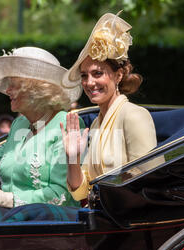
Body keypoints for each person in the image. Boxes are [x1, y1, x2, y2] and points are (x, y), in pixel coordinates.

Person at [0, 46, 84, 222]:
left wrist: (7, 199)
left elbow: (62, 194)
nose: (7, 90)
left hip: (44, 219)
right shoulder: (20, 125)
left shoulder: (67, 124)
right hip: (9, 216)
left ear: (36, 88)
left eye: (14, 84)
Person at [60, 12, 159, 201]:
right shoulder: (98, 123)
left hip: (130, 221)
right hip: (104, 216)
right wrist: (72, 158)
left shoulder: (134, 116)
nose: (89, 82)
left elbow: (149, 181)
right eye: (84, 75)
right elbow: (80, 192)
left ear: (118, 75)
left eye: (98, 73)